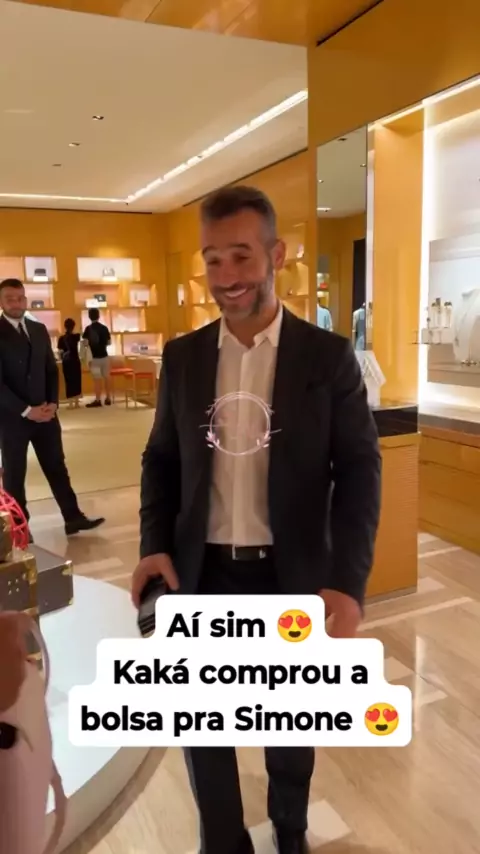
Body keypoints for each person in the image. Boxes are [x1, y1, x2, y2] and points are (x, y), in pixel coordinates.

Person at [132, 186, 382, 854]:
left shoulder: (327, 358)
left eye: (241, 255)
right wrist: (153, 544)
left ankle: (290, 830)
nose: (226, 276)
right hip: (201, 574)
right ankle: (222, 841)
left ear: (277, 254)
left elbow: (360, 471)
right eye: (212, 260)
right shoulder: (184, 358)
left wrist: (348, 582)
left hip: (289, 575)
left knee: (289, 725)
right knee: (204, 728)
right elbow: (161, 459)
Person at [0, 279, 105, 537]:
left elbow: (50, 369)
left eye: (20, 298)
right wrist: (26, 410)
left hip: (46, 414)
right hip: (13, 418)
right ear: (1, 302)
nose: (16, 303)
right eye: (10, 298)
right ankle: (20, 528)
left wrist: (53, 403)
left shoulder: (38, 329)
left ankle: (73, 517)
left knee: (56, 466)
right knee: (14, 474)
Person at [82, 308, 112, 407]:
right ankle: (108, 398)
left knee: (97, 379)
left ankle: (98, 400)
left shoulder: (88, 329)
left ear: (89, 317)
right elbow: (109, 342)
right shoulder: (104, 328)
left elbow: (85, 344)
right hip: (104, 357)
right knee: (107, 377)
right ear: (99, 316)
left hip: (94, 358)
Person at [58, 317, 82, 406]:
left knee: (68, 381)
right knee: (77, 380)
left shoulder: (61, 338)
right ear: (73, 326)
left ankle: (70, 403)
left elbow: (60, 351)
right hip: (75, 360)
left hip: (67, 362)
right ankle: (76, 402)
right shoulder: (76, 336)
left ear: (65, 326)